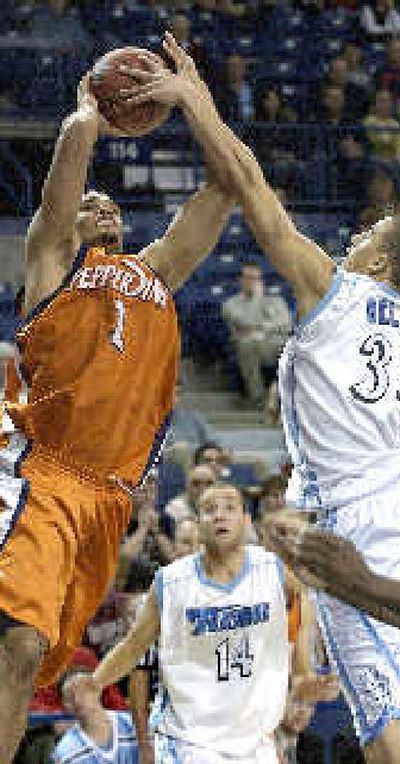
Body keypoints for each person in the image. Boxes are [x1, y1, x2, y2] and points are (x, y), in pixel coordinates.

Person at [124, 32, 400, 761]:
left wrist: (196, 100)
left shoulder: (338, 292)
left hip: (359, 524)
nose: (357, 237)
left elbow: (249, 182)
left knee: (388, 738)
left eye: (370, 233)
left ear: (378, 260)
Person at [0, 71, 235, 762]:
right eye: (89, 202)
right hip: (43, 472)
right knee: (18, 642)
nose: (101, 205)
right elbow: (64, 182)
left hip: (108, 502)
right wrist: (88, 113)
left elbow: (224, 188)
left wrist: (198, 101)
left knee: (27, 659)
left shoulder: (154, 274)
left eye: (110, 204)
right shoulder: (53, 268)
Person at [67, 483, 290, 763]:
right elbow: (135, 646)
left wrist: (304, 672)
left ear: (246, 521)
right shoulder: (171, 582)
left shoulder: (273, 570)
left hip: (253, 736)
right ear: (199, 524)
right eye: (209, 510)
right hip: (189, 737)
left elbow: (308, 609)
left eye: (230, 508)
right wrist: (96, 681)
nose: (219, 515)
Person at [222, 262, 291, 407]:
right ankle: (258, 397)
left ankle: (283, 397)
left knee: (295, 349)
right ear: (240, 280)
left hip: (275, 343)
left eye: (256, 278)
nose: (251, 282)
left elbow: (286, 323)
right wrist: (256, 298)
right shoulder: (231, 304)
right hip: (250, 346)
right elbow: (247, 321)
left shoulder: (276, 300)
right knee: (247, 345)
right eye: (248, 278)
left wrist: (263, 328)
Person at [52, 665, 137, 764]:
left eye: (82, 691)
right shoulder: (65, 751)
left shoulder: (132, 724)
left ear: (97, 690)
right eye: (69, 697)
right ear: (64, 707)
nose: (77, 700)